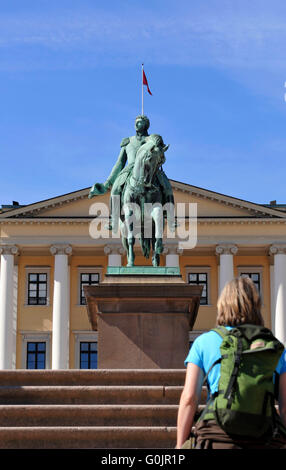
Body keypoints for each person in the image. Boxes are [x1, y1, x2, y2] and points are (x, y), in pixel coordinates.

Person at [176, 276, 286, 449]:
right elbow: (285, 406)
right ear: (256, 306)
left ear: (222, 305)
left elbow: (190, 399)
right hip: (264, 438)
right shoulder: (275, 347)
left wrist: (179, 445)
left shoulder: (204, 342)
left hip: (215, 435)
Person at [88, 115, 174, 231]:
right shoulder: (128, 142)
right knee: (115, 190)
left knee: (167, 187)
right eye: (136, 122)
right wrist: (108, 183)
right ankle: (113, 221)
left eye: (140, 123)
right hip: (129, 170)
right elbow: (120, 163)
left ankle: (171, 219)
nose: (137, 125)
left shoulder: (151, 140)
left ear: (146, 126)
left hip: (150, 169)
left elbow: (159, 153)